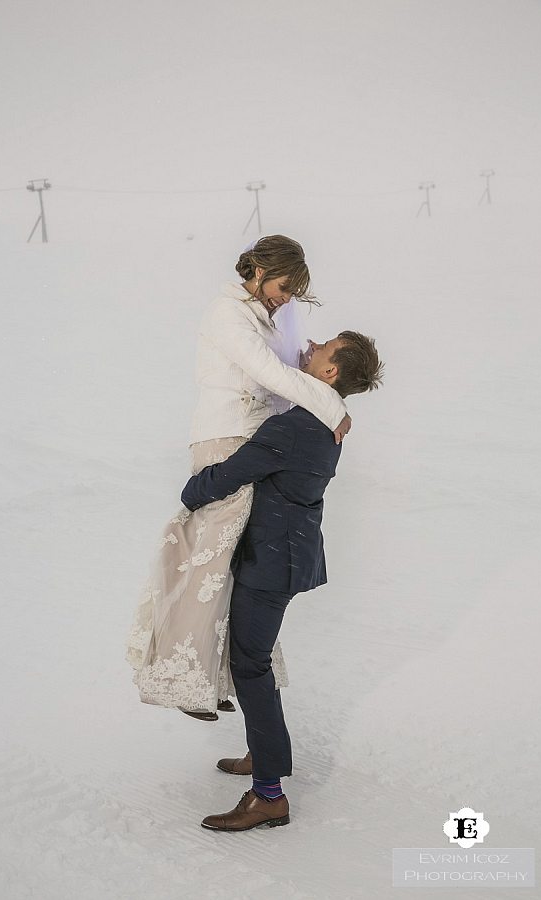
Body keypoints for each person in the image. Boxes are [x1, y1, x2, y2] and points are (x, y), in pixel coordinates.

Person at [125, 236, 351, 719]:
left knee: (236, 568)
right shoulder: (226, 313)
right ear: (259, 269)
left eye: (293, 292)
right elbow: (267, 372)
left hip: (251, 444)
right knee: (208, 563)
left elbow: (289, 371)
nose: (286, 298)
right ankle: (185, 680)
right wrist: (332, 406)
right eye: (284, 287)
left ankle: (218, 676)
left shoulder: (265, 318)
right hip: (224, 439)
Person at [180, 331, 384, 831]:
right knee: (254, 659)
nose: (311, 346)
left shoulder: (297, 426)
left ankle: (269, 794)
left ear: (330, 372)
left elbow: (232, 473)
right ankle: (260, 752)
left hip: (273, 563)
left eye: (324, 348)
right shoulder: (324, 420)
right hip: (285, 556)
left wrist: (191, 492)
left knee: (249, 665)